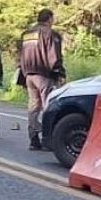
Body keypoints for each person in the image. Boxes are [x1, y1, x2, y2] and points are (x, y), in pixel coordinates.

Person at [18, 8, 64, 150]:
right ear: (49, 19)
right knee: (48, 107)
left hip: (29, 75)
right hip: (44, 75)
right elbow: (53, 56)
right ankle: (47, 139)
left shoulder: (26, 34)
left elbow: (20, 55)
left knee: (33, 107)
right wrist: (60, 73)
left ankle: (33, 139)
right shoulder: (50, 34)